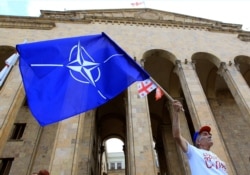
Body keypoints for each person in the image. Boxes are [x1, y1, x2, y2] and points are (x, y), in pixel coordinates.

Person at [172, 100, 228, 175]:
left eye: (209, 134)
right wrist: (176, 113)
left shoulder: (217, 158)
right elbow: (177, 136)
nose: (209, 135)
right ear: (198, 141)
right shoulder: (193, 152)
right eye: (205, 134)